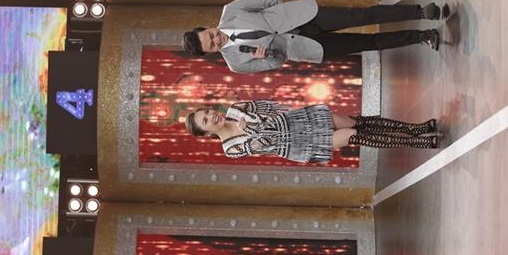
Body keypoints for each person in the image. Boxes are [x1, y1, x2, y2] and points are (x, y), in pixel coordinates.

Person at [181, 0, 448, 74]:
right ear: (211, 53)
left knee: (363, 16)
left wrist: (283, 15)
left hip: (306, 16)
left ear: (207, 27)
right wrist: (268, 55)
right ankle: (422, 37)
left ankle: (420, 12)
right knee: (369, 43)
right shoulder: (236, 63)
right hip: (305, 46)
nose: (217, 39)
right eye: (212, 45)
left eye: (211, 34)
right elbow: (276, 63)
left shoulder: (230, 10)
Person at [185, 101, 440, 161]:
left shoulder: (235, 108)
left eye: (207, 111)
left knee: (355, 122)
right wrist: (252, 126)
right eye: (206, 121)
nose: (212, 115)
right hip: (296, 145)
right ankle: (415, 142)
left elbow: (274, 108)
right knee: (353, 136)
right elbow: (264, 144)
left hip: (298, 121)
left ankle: (415, 129)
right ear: (206, 133)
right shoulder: (230, 149)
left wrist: (292, 112)